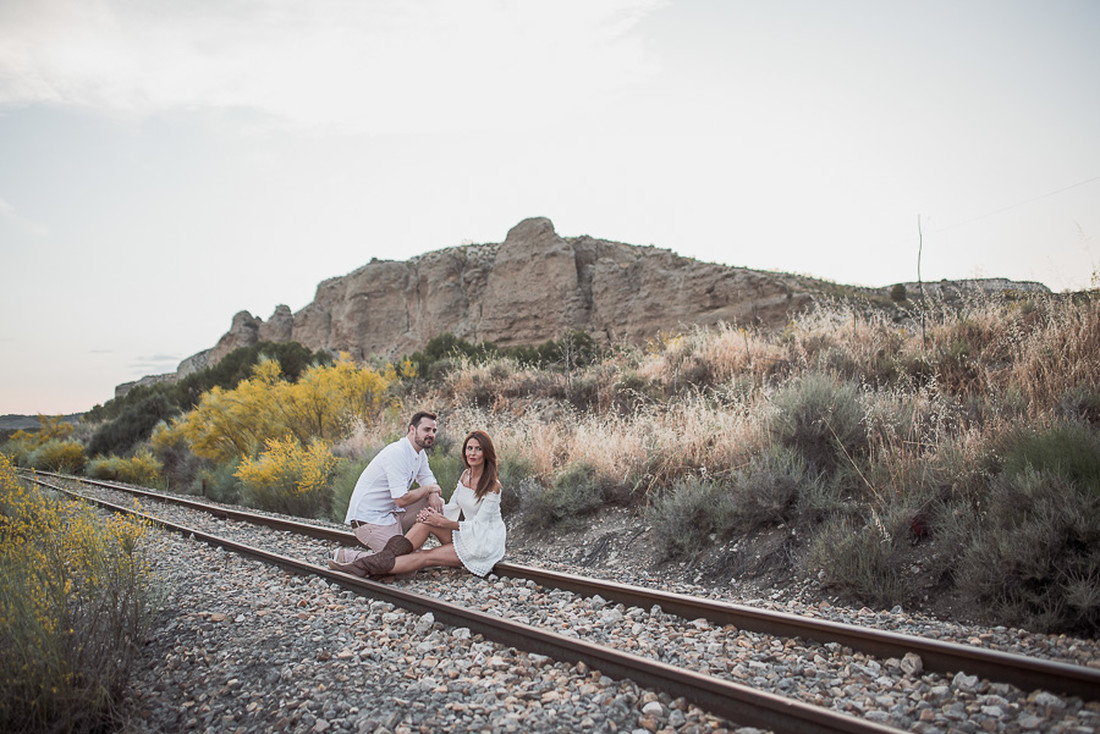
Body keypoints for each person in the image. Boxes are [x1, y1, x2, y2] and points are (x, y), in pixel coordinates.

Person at [329, 429, 506, 579]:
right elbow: (452, 508)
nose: (472, 453)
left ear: (486, 453)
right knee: (425, 523)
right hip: (466, 534)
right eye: (469, 448)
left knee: (423, 557)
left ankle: (360, 565)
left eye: (478, 449)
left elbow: (480, 525)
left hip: (483, 542)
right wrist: (430, 515)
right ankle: (369, 562)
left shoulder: (493, 486)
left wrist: (443, 522)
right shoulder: (465, 475)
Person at [332, 412, 444, 566]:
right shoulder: (397, 453)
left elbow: (428, 479)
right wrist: (429, 489)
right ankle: (348, 556)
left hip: (391, 515)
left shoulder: (419, 454)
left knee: (434, 502)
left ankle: (414, 548)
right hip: (369, 521)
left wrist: (433, 492)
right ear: (412, 429)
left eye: (434, 431)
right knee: (405, 566)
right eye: (426, 430)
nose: (431, 434)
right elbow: (401, 499)